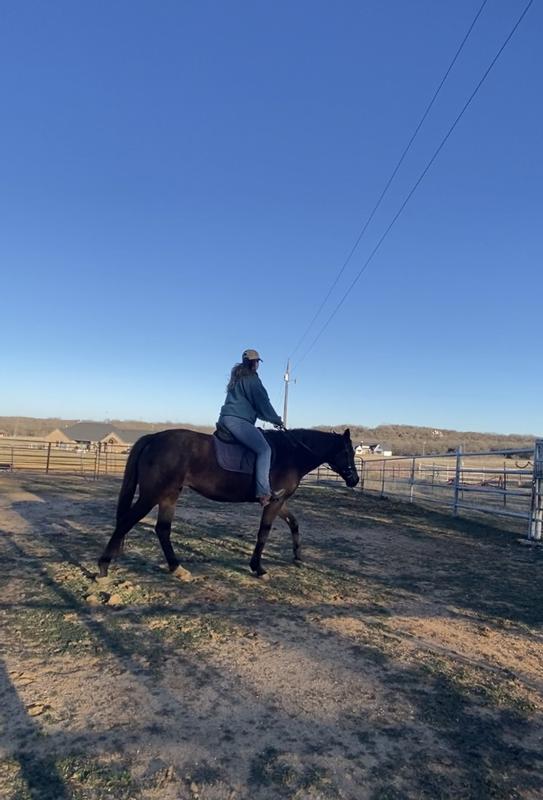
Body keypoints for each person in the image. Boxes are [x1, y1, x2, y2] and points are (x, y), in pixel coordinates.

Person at [218, 349, 285, 507]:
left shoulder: (237, 377)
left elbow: (255, 405)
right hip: (238, 421)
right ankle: (263, 493)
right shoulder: (252, 379)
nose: (257, 365)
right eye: (256, 362)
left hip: (226, 418)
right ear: (255, 363)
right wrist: (276, 420)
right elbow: (262, 402)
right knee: (264, 450)